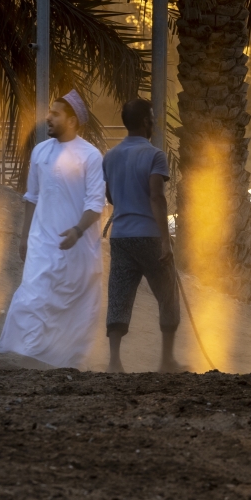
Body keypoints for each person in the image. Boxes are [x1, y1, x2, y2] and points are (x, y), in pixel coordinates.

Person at [0, 90, 106, 368]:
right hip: (41, 243)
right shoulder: (40, 151)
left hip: (78, 248)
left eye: (55, 113)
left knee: (71, 308)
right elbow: (32, 197)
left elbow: (95, 204)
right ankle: (27, 357)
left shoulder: (90, 156)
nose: (48, 117)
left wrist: (78, 230)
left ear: (71, 120)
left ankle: (61, 363)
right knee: (32, 297)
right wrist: (24, 237)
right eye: (50, 111)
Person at [101, 98, 184, 374]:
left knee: (119, 294)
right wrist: (165, 239)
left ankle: (114, 362)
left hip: (121, 236)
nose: (154, 121)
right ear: (146, 122)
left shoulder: (110, 157)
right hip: (149, 236)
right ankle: (166, 361)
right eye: (152, 116)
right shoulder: (154, 156)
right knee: (168, 294)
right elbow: (157, 197)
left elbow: (110, 196)